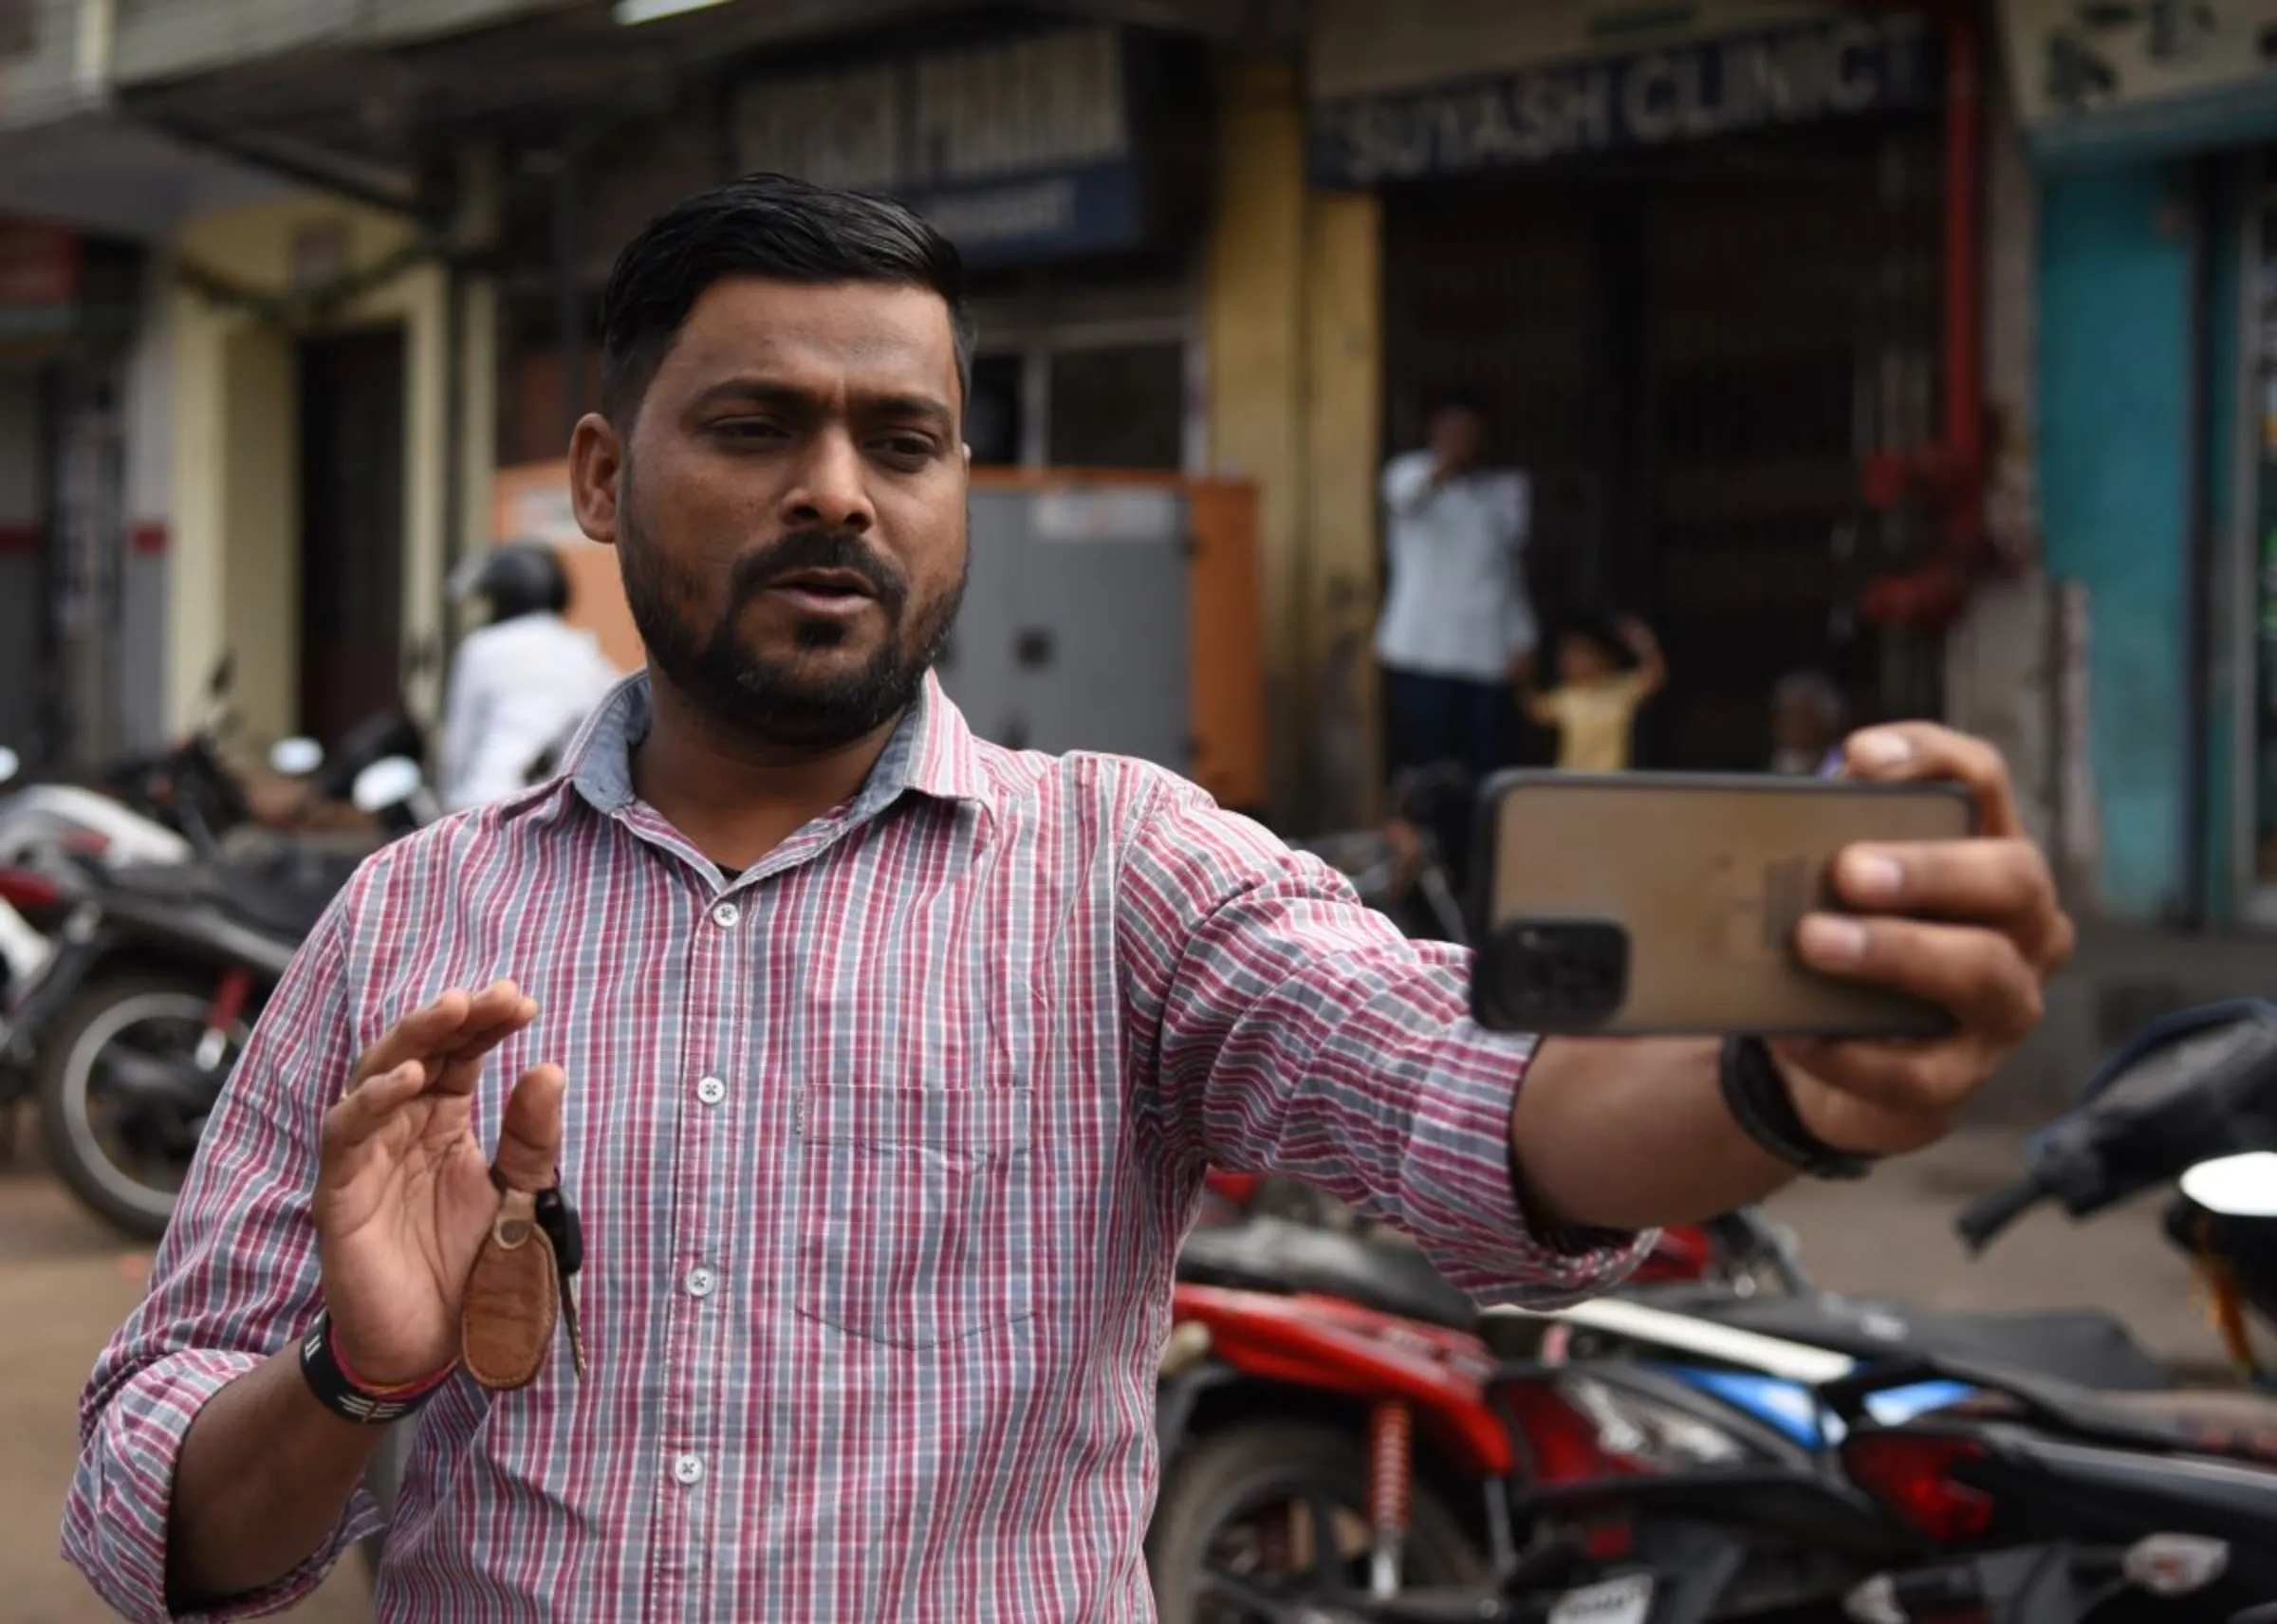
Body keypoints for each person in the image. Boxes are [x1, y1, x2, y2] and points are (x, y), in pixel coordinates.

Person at [63, 174, 2071, 1623]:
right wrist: (353, 1372)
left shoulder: (1125, 868)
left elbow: (1468, 1090)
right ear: (600, 476)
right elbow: (162, 1516)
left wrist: (1775, 1084)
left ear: (957, 495)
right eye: (757, 425)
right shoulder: (411, 926)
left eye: (903, 439)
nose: (837, 488)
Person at [1374, 398, 1535, 784]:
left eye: (1470, 434)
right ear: (1435, 435)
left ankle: (1476, 844)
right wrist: (1446, 464)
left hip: (1487, 651)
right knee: (1429, 765)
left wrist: (1523, 637)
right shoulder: (1409, 473)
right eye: (1452, 432)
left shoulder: (1503, 489)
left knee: (1487, 764)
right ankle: (1428, 842)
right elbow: (1406, 500)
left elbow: (1509, 570)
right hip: (1423, 650)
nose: (1463, 441)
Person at [435, 540, 623, 810]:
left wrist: (447, 802)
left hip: (484, 804)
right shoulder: (584, 651)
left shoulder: (483, 647)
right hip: (557, 811)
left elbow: (459, 745)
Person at [1520, 612, 1668, 772]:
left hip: (1612, 780)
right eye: (1569, 658)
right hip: (1571, 780)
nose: (1576, 662)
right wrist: (1524, 677)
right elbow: (1534, 710)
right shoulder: (1566, 696)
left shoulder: (1621, 689)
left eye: (1584, 654)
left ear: (1601, 655)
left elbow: (1655, 675)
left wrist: (1641, 640)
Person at [1771, 669, 1847, 776]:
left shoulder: (1847, 772)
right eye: (1782, 717)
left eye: (1796, 717)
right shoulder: (1773, 771)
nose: (1783, 729)